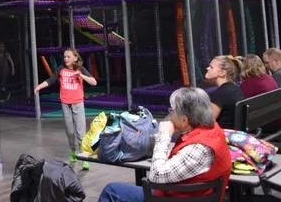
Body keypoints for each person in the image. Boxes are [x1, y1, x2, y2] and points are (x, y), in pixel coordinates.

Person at [98, 87, 231, 202]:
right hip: (192, 194)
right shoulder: (213, 128)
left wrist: (164, 135)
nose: (170, 114)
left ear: (184, 119)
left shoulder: (198, 149)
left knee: (112, 190)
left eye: (172, 111)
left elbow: (155, 176)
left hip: (177, 198)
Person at [34, 48, 96, 170]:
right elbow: (51, 80)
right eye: (65, 57)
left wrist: (81, 76)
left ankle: (84, 157)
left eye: (68, 57)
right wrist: (39, 87)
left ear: (75, 58)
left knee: (80, 132)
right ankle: (73, 151)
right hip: (65, 104)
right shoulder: (61, 69)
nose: (65, 59)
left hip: (78, 103)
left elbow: (93, 82)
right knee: (70, 131)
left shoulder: (80, 69)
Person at [205, 55, 244, 129]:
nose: (207, 68)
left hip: (224, 134)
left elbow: (207, 122)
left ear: (222, 73)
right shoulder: (235, 88)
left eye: (211, 67)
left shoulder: (220, 94)